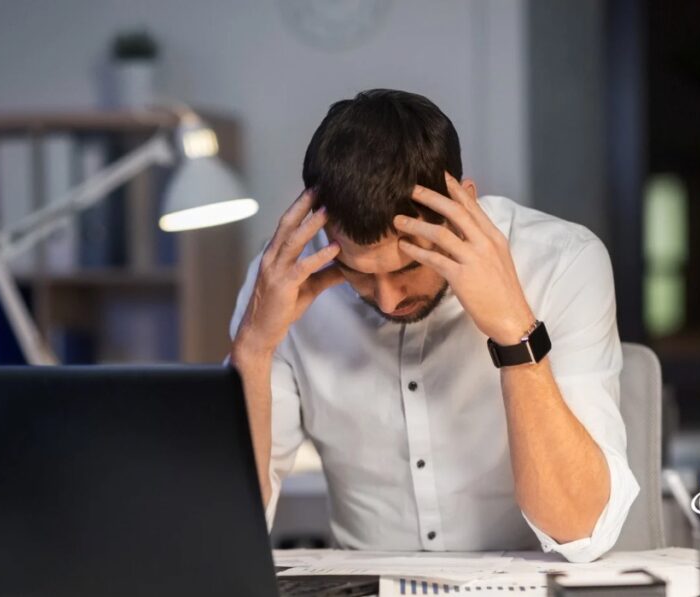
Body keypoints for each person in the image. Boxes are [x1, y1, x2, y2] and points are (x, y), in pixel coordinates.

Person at [228, 89, 638, 563]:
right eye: (357, 271)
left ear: (462, 206)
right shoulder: (280, 282)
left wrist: (514, 332)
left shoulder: (562, 262)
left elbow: (582, 530)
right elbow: (231, 526)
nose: (386, 298)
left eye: (407, 268)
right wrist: (253, 350)